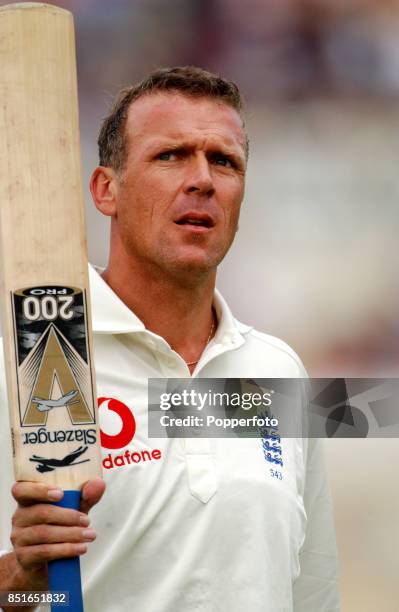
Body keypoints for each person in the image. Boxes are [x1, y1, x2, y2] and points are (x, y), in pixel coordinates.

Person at [0, 66, 340, 611]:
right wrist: (21, 577)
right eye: (171, 155)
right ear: (106, 190)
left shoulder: (278, 371)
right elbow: (17, 593)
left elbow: (314, 592)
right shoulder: (26, 361)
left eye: (224, 161)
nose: (203, 178)